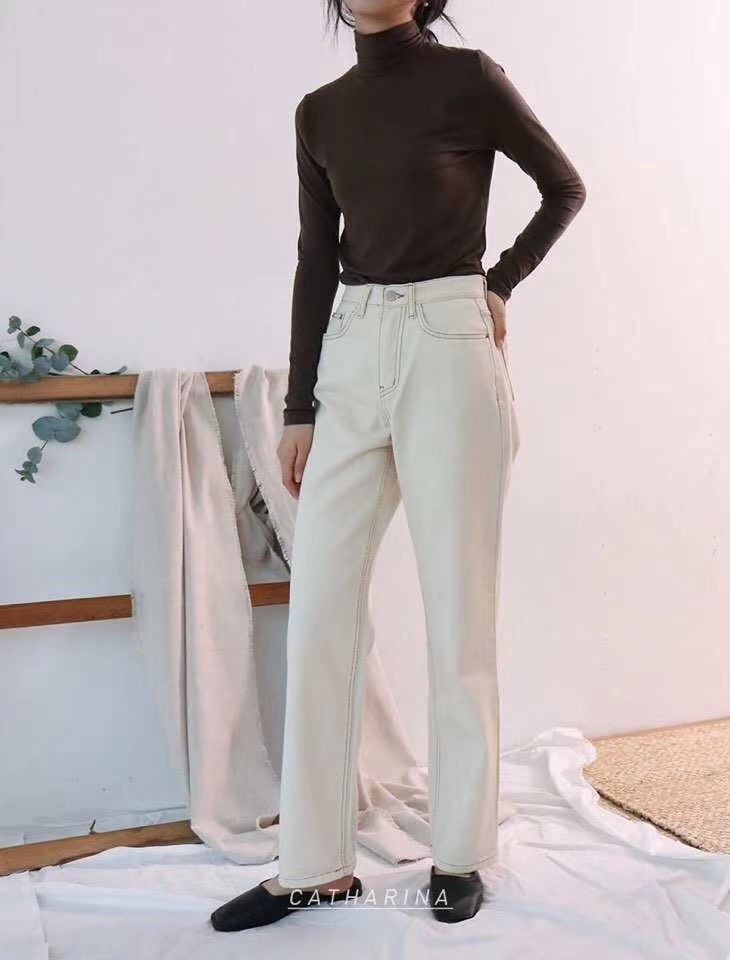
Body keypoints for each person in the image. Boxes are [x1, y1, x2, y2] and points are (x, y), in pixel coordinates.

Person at [211, 0, 586, 930]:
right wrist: (299, 406)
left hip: (448, 345)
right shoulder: (319, 111)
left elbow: (563, 187)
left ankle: (458, 852)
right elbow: (315, 259)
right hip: (350, 353)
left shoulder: (470, 78)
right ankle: (314, 864)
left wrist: (500, 282)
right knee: (320, 608)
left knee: (458, 607)